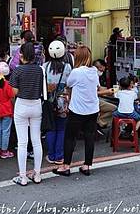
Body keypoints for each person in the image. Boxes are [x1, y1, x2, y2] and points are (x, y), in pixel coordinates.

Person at [53, 45, 114, 177]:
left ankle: (66, 166)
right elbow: (97, 87)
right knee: (89, 137)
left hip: (77, 110)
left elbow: (68, 84)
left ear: (77, 57)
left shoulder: (76, 72)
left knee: (70, 137)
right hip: (92, 110)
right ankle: (86, 165)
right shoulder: (93, 71)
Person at [9, 42, 44, 186]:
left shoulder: (18, 70)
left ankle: (22, 177)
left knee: (22, 143)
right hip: (36, 105)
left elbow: (14, 92)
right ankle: (37, 174)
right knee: (36, 141)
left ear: (22, 55)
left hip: (22, 105)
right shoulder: (40, 70)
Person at [43, 40, 72, 165]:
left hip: (48, 102)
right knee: (61, 129)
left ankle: (51, 155)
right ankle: (59, 156)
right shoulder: (68, 67)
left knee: (50, 128)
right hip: (63, 102)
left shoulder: (44, 67)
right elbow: (70, 85)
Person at [0, 62, 15, 159]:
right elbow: (12, 95)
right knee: (6, 131)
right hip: (7, 108)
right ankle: (4, 151)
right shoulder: (8, 84)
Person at [93, 59, 117, 132]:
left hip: (94, 100)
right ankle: (99, 121)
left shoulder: (93, 75)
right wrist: (107, 91)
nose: (102, 72)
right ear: (99, 67)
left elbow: (99, 88)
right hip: (93, 101)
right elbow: (93, 92)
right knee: (114, 108)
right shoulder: (93, 76)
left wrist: (109, 89)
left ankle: (99, 120)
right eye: (101, 70)